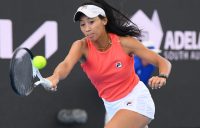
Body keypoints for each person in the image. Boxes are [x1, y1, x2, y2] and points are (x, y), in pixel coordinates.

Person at [46, 0, 172, 128]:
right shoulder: (80, 46)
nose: (87, 28)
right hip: (112, 107)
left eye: (91, 22)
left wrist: (162, 76)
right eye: (82, 24)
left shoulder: (125, 43)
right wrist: (55, 76)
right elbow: (66, 65)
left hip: (137, 100)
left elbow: (162, 61)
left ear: (104, 21)